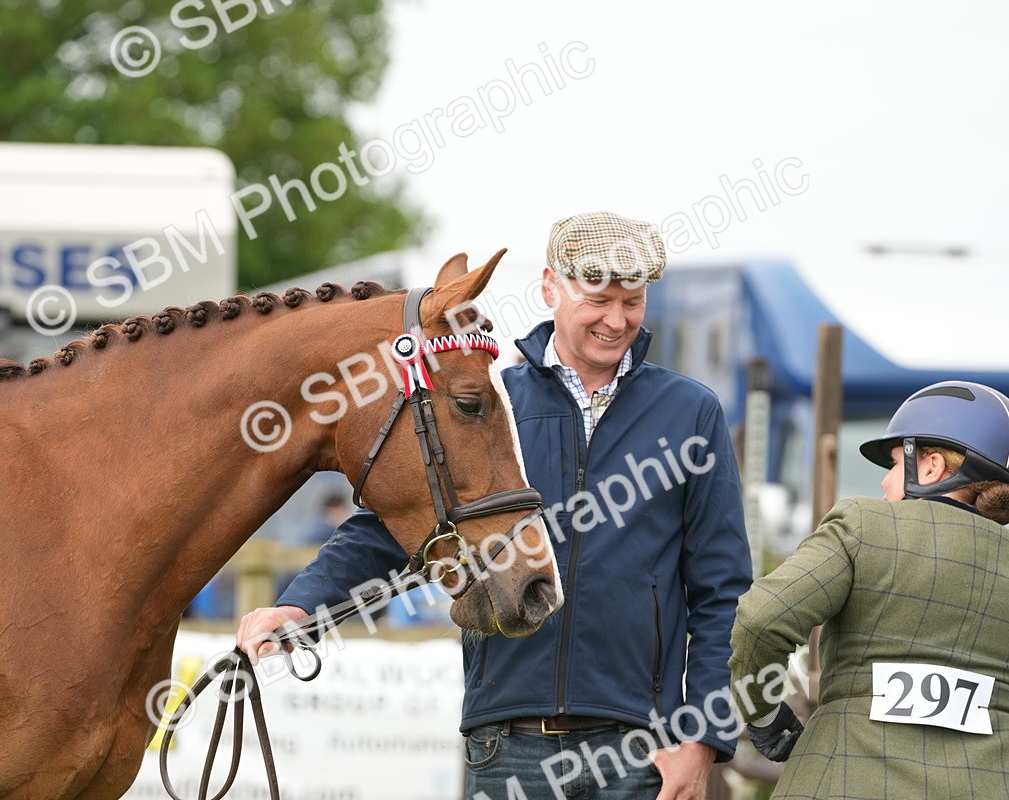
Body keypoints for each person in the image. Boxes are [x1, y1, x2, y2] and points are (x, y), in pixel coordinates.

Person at [238, 211, 753, 799]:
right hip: (507, 740)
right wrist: (301, 607)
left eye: (631, 301)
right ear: (549, 289)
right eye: (598, 300)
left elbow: (722, 591)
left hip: (642, 747)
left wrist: (703, 738)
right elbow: (388, 529)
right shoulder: (490, 401)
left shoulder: (691, 413)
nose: (617, 320)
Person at [730, 380, 1009, 798]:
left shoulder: (864, 524)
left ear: (931, 467)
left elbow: (760, 620)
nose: (884, 483)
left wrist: (763, 711)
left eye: (895, 465)